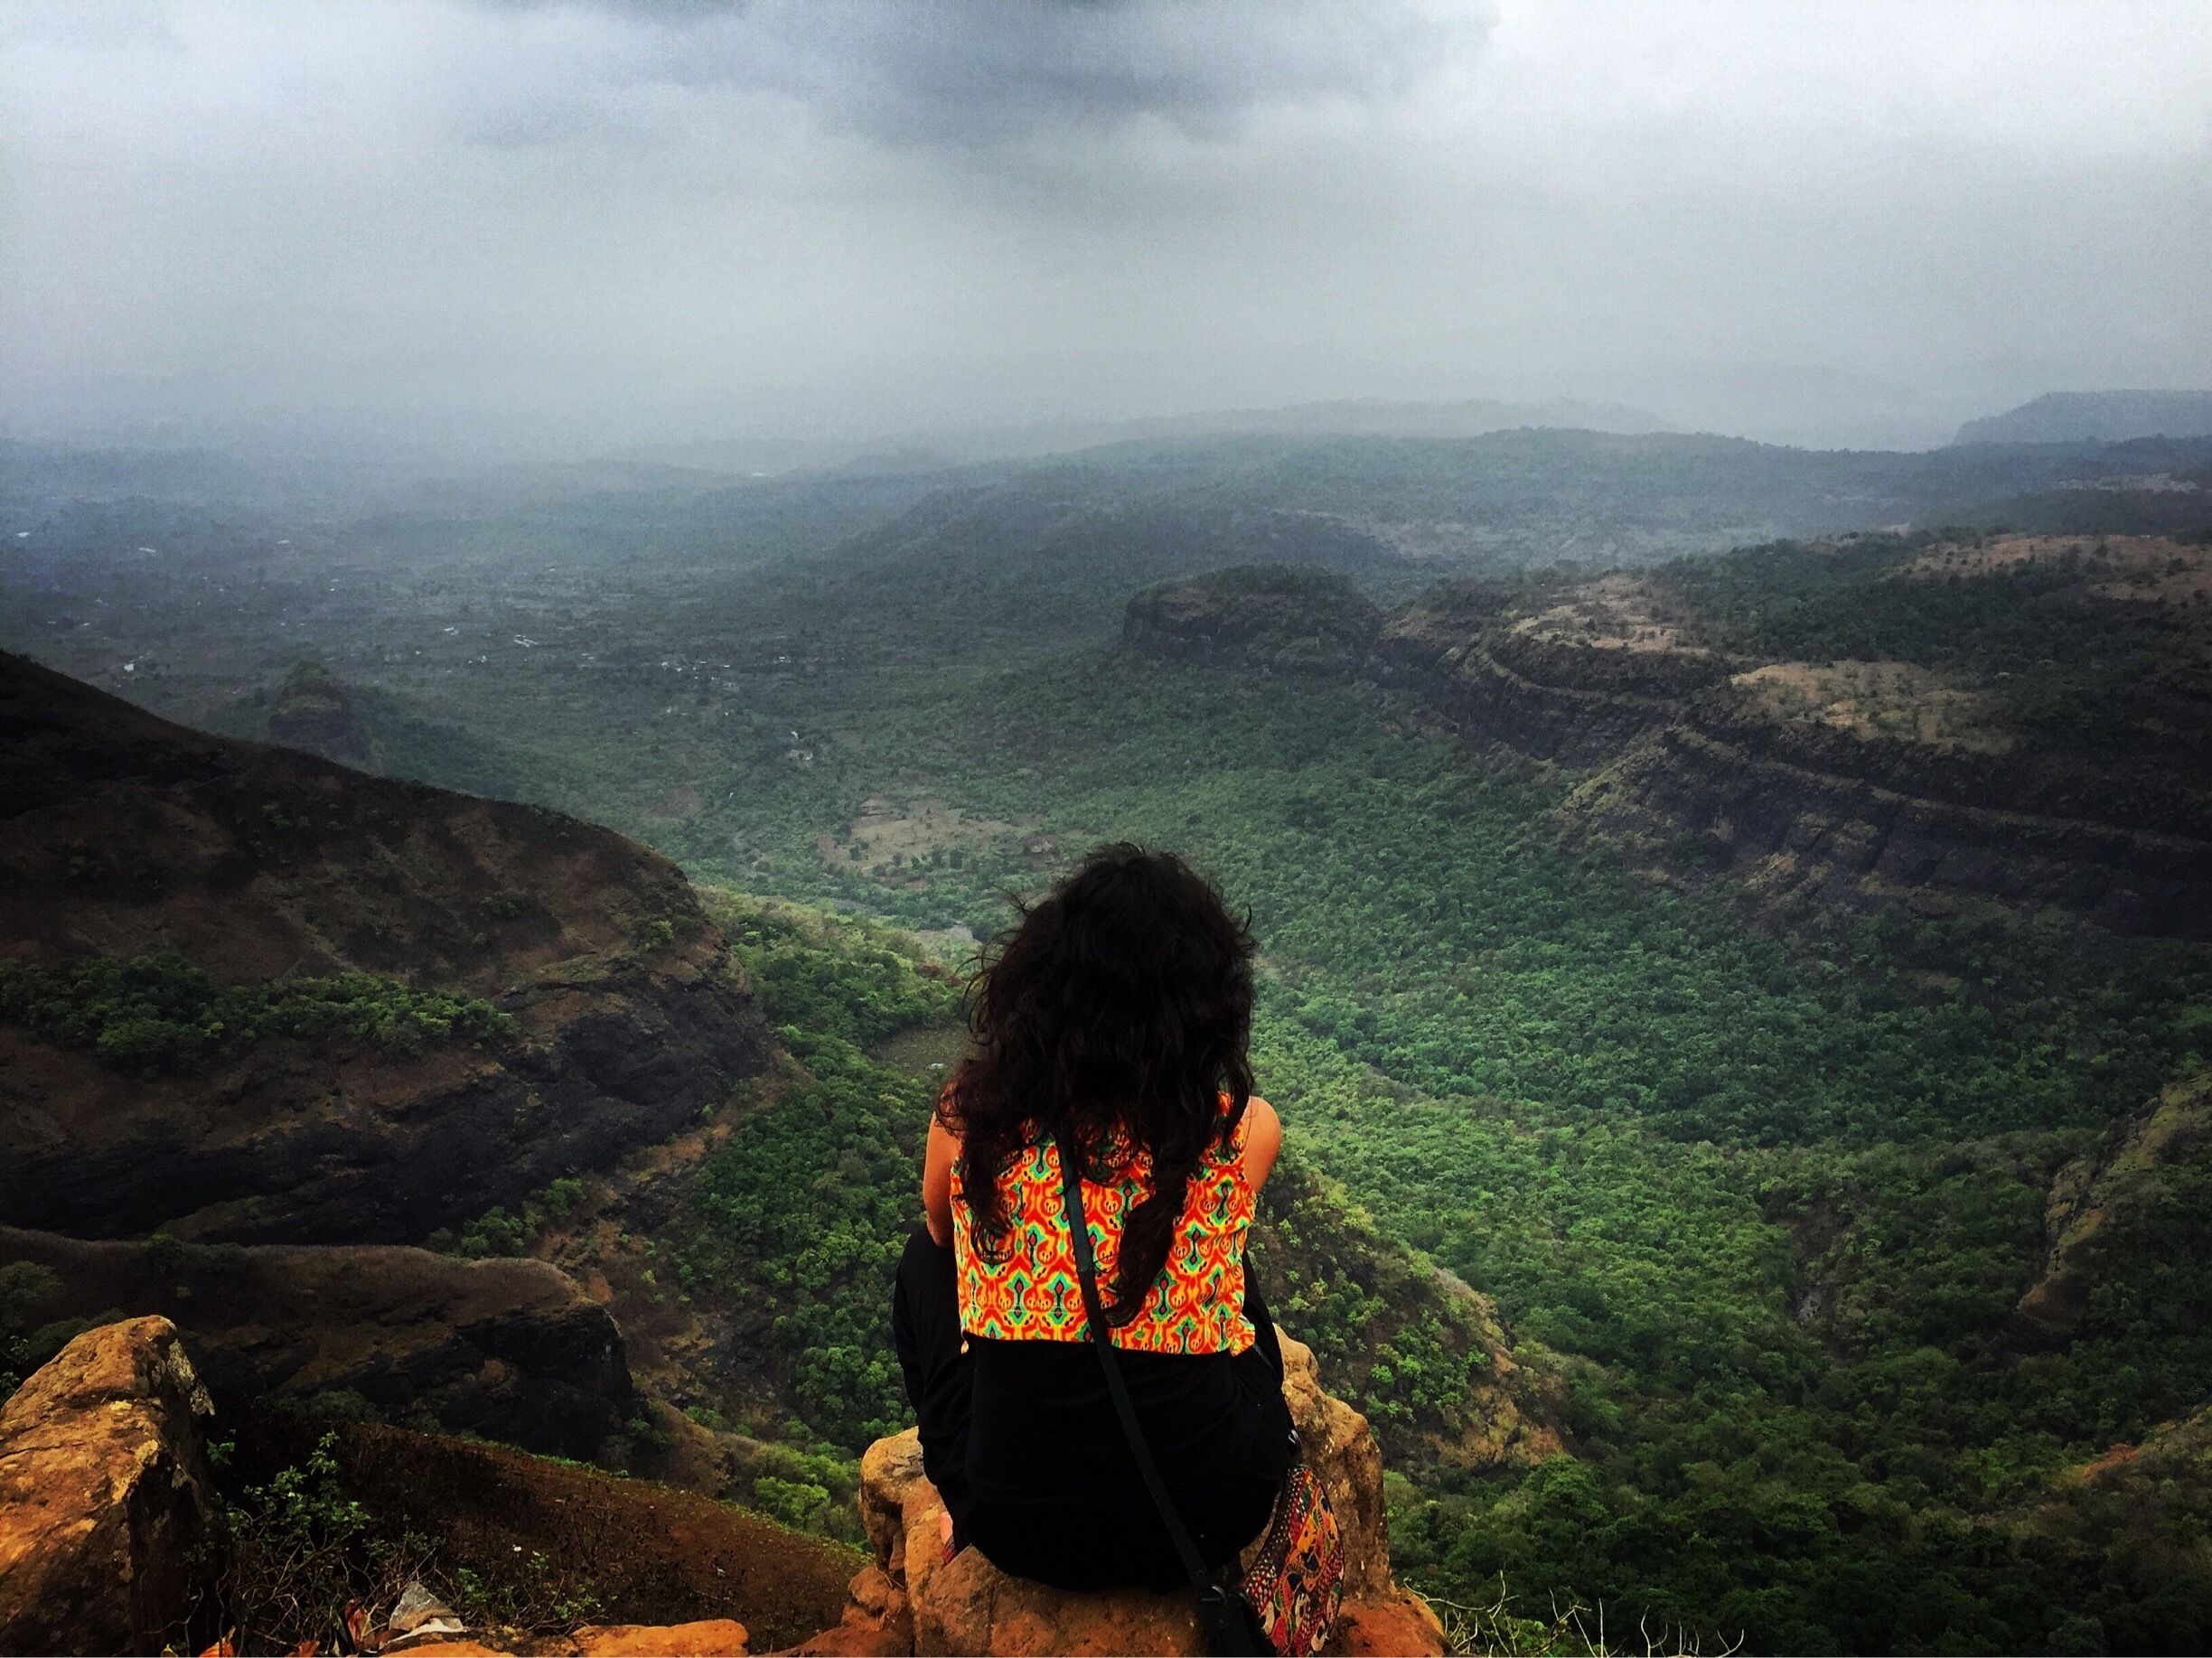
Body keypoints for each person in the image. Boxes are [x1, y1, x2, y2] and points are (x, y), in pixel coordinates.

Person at [891, 842, 1295, 1592]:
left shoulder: (969, 1121)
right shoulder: (1242, 1129)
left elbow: (944, 1237)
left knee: (922, 1256)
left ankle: (957, 1491)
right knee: (1228, 1259)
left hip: (1018, 1525)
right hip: (1210, 1514)